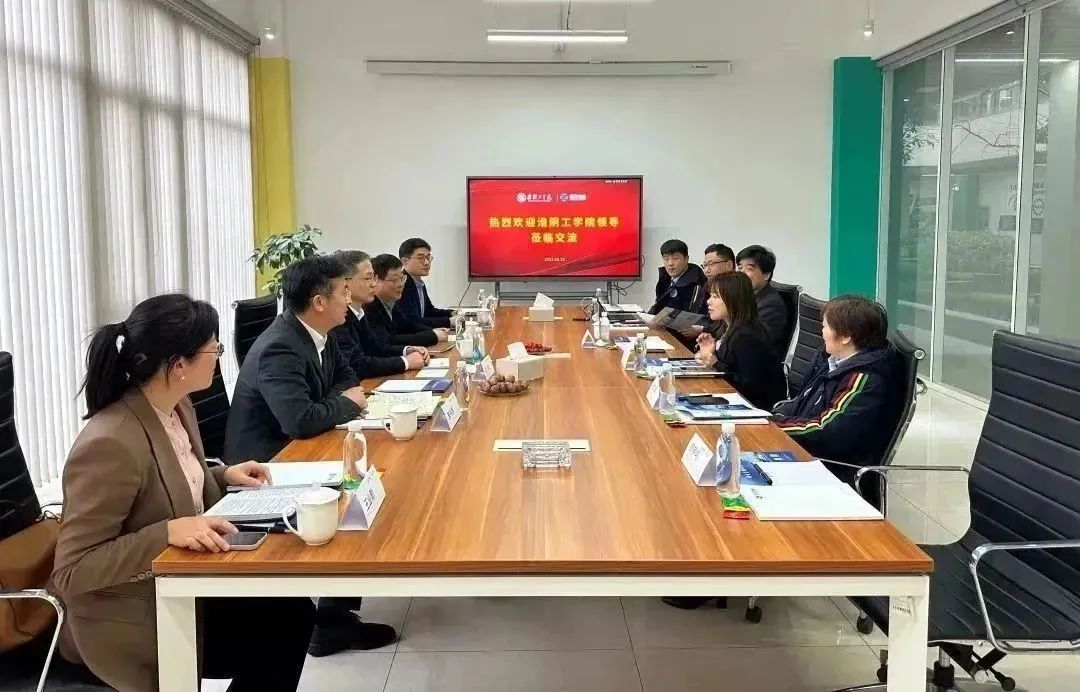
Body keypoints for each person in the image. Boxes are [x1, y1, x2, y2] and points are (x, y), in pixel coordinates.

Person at [50, 294, 315, 691]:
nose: (219, 357)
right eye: (213, 350)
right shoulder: (110, 443)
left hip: (183, 583)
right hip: (132, 614)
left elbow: (173, 481)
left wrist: (223, 476)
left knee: (291, 613)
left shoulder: (176, 405)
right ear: (178, 365)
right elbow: (73, 571)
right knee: (282, 627)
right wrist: (166, 533)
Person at [224, 255, 396, 656]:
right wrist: (345, 403)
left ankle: (336, 613)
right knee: (359, 489)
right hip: (268, 467)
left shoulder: (321, 332)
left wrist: (337, 402)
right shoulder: (280, 346)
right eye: (343, 292)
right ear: (319, 302)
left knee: (373, 475)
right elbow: (300, 420)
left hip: (303, 449)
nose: (349, 299)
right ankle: (330, 624)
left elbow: (347, 379)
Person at [774, 295, 900, 508]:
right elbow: (802, 401)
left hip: (833, 471)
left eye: (825, 326)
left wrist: (774, 425)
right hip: (809, 455)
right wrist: (770, 418)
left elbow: (826, 429)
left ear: (846, 336)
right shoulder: (834, 362)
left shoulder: (863, 379)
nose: (821, 332)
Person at [694, 272, 787, 410]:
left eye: (715, 296)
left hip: (754, 408)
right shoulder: (727, 326)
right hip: (731, 399)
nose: (708, 301)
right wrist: (711, 353)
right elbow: (731, 365)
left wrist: (715, 364)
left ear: (733, 299)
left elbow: (749, 386)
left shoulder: (747, 335)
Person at [332, 249, 428, 378]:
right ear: (346, 282)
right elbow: (356, 364)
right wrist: (406, 362)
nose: (374, 284)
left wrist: (407, 350)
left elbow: (377, 348)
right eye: (368, 278)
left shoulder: (359, 312)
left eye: (374, 277)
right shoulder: (337, 317)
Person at [366, 253, 450, 348]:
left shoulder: (389, 301)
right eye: (395, 280)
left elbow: (407, 325)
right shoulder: (369, 307)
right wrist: (432, 336)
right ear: (376, 280)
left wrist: (432, 331)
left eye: (402, 278)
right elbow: (388, 341)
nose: (401, 284)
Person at [735, 245, 788, 357]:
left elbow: (752, 341)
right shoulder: (744, 295)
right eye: (739, 268)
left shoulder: (771, 305)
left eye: (749, 269)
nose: (741, 273)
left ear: (766, 275)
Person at [678, 243, 736, 343]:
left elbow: (728, 322)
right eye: (705, 265)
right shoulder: (706, 285)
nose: (706, 270)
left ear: (729, 265)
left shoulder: (737, 289)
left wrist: (703, 329)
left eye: (711, 264)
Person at [398, 238, 454, 328]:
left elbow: (428, 311)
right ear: (404, 261)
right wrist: (448, 321)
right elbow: (412, 321)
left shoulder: (419, 283)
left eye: (428, 257)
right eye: (421, 258)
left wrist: (451, 313)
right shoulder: (401, 285)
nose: (427, 262)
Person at [648, 239, 706, 315]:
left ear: (686, 259)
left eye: (675, 258)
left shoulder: (697, 282)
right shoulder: (664, 279)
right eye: (666, 259)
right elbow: (658, 306)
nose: (670, 263)